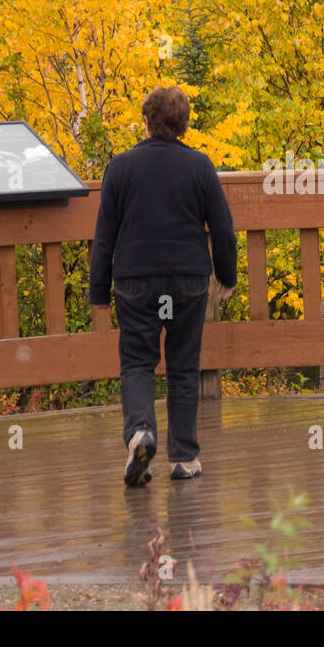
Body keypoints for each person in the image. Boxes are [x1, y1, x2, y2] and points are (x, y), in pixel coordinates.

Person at [88, 87, 237, 487]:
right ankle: (185, 458)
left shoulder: (120, 168)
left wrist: (98, 291)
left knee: (138, 361)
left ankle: (140, 430)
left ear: (146, 122)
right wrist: (228, 275)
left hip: (137, 281)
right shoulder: (200, 167)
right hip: (185, 283)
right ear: (184, 124)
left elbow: (104, 236)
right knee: (183, 366)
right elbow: (223, 228)